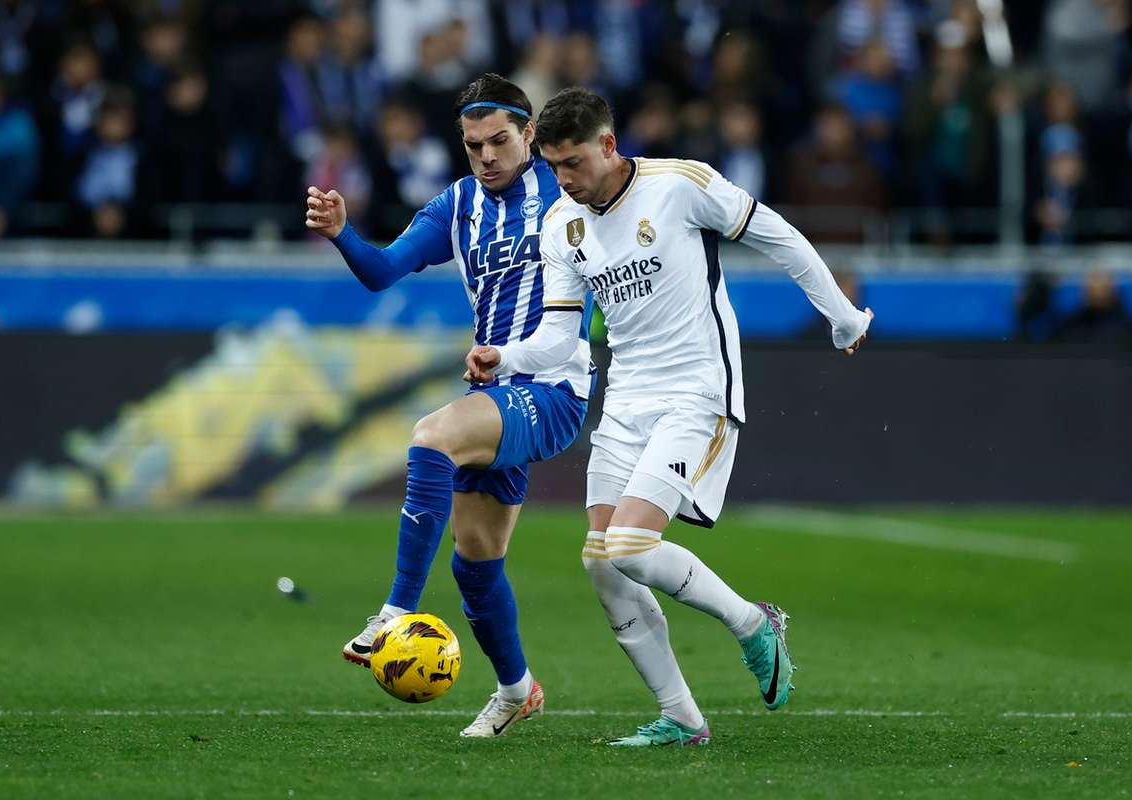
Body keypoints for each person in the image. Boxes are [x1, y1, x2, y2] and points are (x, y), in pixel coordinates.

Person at [465, 87, 873, 746]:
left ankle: (752, 622)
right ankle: (682, 718)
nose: (563, 180)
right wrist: (502, 355)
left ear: (607, 144)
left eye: (573, 163)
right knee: (602, 561)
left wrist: (842, 316)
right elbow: (560, 336)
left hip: (696, 391)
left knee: (629, 545)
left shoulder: (681, 186)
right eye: (553, 165)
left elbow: (782, 237)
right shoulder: (561, 225)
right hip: (625, 401)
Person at [304, 74, 593, 738]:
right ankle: (518, 688)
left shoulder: (567, 186)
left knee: (431, 437)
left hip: (555, 390)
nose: (487, 157)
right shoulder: (457, 205)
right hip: (493, 393)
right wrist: (345, 234)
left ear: (529, 134)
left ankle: (394, 614)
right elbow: (382, 271)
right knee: (475, 560)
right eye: (473, 146)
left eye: (499, 141)